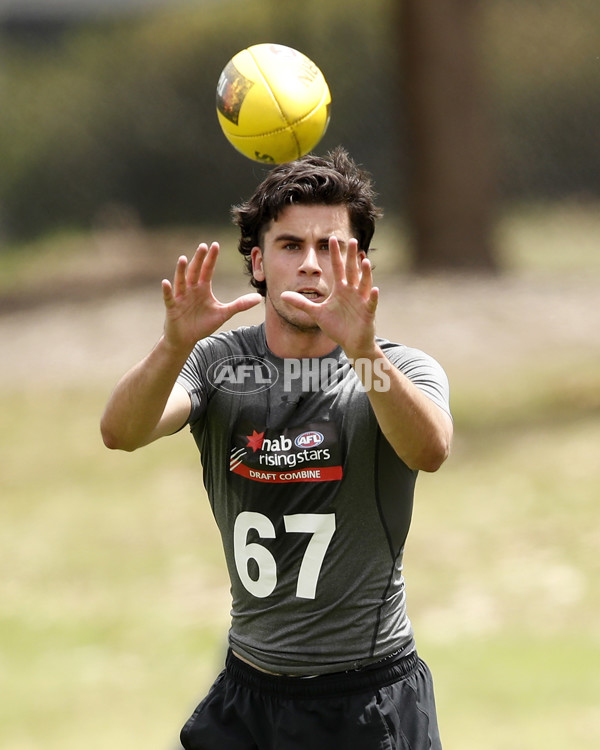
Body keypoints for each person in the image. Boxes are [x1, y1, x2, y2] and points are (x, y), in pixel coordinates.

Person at [100, 147, 453, 750]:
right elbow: (122, 431)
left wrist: (362, 351)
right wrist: (172, 345)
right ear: (259, 262)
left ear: (359, 264)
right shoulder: (218, 365)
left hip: (366, 702)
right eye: (291, 246)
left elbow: (430, 449)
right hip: (249, 695)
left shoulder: (392, 368)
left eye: (331, 247)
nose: (311, 264)